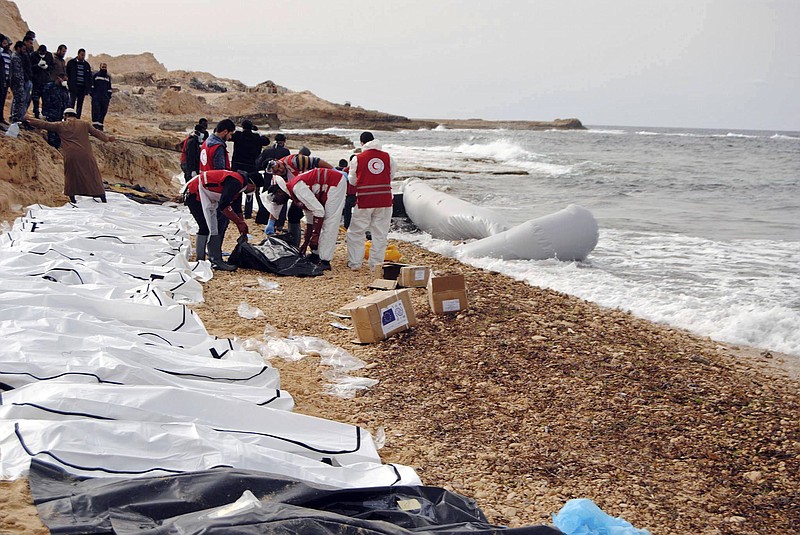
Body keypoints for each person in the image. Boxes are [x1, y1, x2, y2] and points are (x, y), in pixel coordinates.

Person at [25, 107, 116, 203]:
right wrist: (108, 138)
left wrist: (30, 119)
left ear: (66, 115)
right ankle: (101, 197)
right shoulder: (84, 124)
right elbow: (97, 133)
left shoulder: (61, 125)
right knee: (93, 175)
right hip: (86, 154)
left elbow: (45, 124)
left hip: (71, 155)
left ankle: (72, 199)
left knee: (71, 176)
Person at [262, 168, 347, 271]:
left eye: (277, 201)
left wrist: (315, 236)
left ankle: (325, 261)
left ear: (279, 192)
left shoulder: (297, 189)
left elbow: (319, 212)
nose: (279, 203)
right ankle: (315, 255)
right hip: (326, 185)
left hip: (335, 183)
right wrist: (306, 242)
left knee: (330, 222)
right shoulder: (294, 194)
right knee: (323, 221)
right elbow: (310, 217)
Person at [183, 169, 254, 271]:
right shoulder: (235, 182)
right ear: (251, 183)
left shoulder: (240, 185)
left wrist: (241, 224)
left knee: (213, 227)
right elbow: (224, 205)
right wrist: (238, 222)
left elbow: (236, 207)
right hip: (194, 194)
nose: (253, 190)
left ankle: (215, 259)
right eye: (254, 188)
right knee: (205, 227)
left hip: (204, 196)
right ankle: (201, 261)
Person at [346, 131, 397, 270]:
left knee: (356, 232)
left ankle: (355, 263)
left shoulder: (357, 158)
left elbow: (352, 180)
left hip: (365, 199)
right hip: (385, 200)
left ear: (362, 143)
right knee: (380, 233)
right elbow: (391, 175)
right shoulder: (388, 157)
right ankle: (376, 265)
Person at [265, 152, 333, 246]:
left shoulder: (294, 161)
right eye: (276, 172)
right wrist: (271, 221)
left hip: (317, 188)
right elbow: (276, 201)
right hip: (301, 194)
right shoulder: (276, 180)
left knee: (320, 215)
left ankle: (320, 244)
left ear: (278, 161)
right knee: (293, 215)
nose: (280, 171)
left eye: (279, 167)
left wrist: (333, 171)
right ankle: (294, 245)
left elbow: (316, 161)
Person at [230, 119, 269, 218]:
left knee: (237, 189)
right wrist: (258, 134)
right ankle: (248, 212)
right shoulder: (256, 137)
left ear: (242, 127)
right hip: (251, 166)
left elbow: (229, 137)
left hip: (237, 166)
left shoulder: (238, 135)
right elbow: (266, 141)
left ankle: (236, 210)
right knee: (250, 190)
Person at [253, 133, 290, 225]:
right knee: (281, 197)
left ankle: (263, 218)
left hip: (268, 176)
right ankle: (279, 221)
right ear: (284, 141)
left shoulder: (267, 151)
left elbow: (259, 163)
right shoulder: (285, 152)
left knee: (267, 196)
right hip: (280, 177)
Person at [40, 71, 70, 147]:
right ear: (59, 78)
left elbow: (67, 102)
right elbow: (46, 101)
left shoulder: (64, 89)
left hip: (60, 117)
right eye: (64, 79)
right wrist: (46, 114)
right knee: (52, 137)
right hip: (51, 115)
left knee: (58, 138)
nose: (65, 81)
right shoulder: (49, 87)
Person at [66, 48, 92, 118]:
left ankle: (77, 119)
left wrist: (88, 88)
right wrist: (69, 85)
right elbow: (67, 74)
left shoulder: (86, 65)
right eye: (82, 55)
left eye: (84, 55)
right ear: (78, 54)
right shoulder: (71, 63)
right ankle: (69, 118)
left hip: (82, 89)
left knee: (79, 105)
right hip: (73, 88)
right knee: (71, 104)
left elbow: (89, 77)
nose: (83, 56)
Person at [9, 41, 29, 126]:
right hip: (16, 82)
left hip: (20, 82)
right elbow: (15, 72)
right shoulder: (15, 57)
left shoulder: (20, 57)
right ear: (18, 48)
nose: (24, 50)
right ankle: (14, 118)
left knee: (20, 100)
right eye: (23, 49)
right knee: (18, 100)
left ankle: (17, 118)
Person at [30, 44, 52, 119]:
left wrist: (47, 67)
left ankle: (45, 115)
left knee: (46, 100)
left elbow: (52, 67)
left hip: (46, 81)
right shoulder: (33, 55)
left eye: (44, 53)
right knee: (36, 100)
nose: (43, 54)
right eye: (42, 53)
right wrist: (37, 66)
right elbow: (30, 67)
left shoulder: (49, 55)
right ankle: (36, 114)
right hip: (36, 82)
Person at [90, 62, 112, 130]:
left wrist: (108, 97)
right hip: (96, 97)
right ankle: (95, 127)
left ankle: (100, 126)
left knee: (103, 111)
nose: (104, 68)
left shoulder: (108, 77)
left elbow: (109, 88)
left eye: (105, 67)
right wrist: (93, 95)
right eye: (103, 67)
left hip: (105, 98)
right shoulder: (96, 75)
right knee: (95, 111)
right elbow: (92, 86)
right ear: (100, 67)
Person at [337, 157, 357, 228]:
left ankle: (347, 225)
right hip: (359, 194)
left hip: (350, 194)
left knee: (347, 211)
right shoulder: (361, 169)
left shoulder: (346, 170)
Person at [0, 35, 13, 125]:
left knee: (2, 99)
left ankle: (1, 117)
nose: (7, 45)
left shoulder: (9, 53)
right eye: (4, 43)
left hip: (6, 79)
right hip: (1, 78)